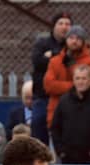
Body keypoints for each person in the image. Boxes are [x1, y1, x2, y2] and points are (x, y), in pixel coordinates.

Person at [43, 25, 90, 130]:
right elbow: (49, 86)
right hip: (57, 114)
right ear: (66, 40)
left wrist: (60, 86)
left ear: (83, 42)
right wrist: (74, 86)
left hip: (82, 115)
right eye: (71, 38)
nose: (74, 41)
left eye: (78, 38)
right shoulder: (55, 61)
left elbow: (89, 85)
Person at [30, 12, 72, 145]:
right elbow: (37, 61)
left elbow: (72, 64)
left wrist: (51, 56)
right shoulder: (42, 43)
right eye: (61, 23)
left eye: (67, 24)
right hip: (43, 96)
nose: (64, 27)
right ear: (54, 26)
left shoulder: (72, 45)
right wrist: (59, 56)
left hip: (65, 98)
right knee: (38, 127)